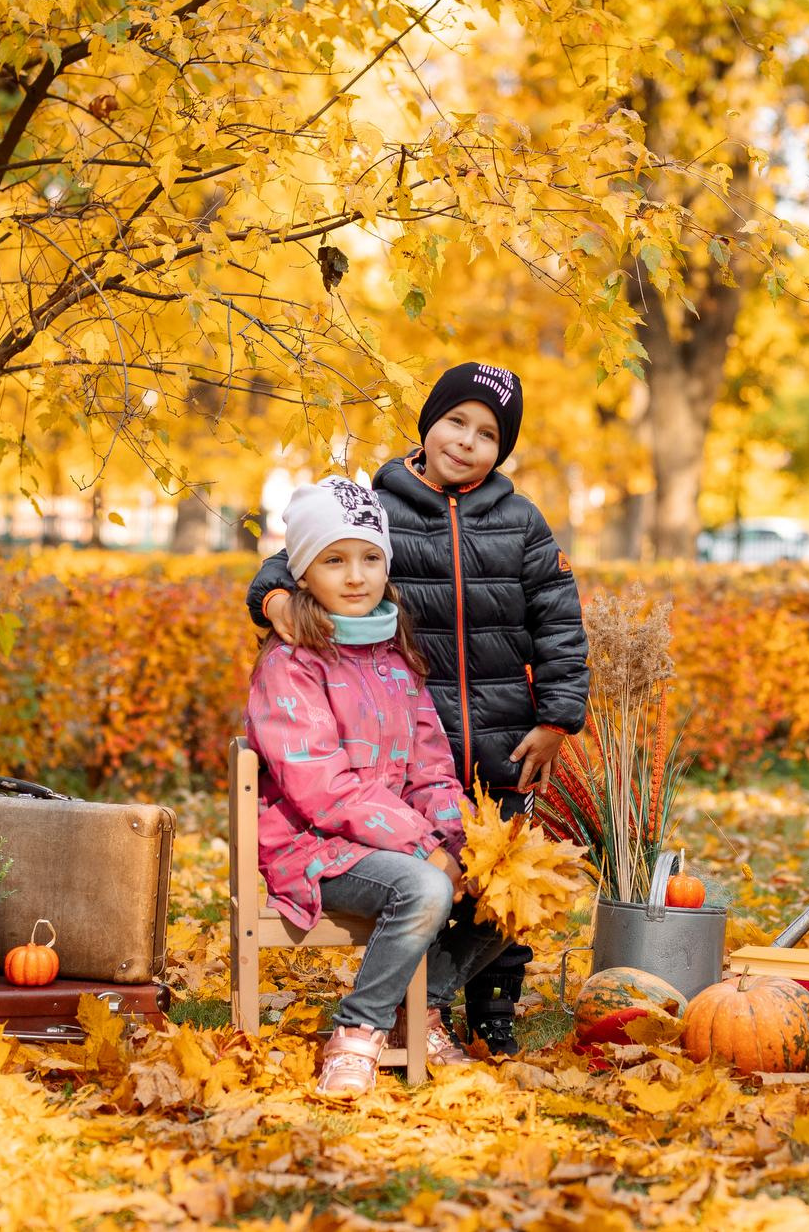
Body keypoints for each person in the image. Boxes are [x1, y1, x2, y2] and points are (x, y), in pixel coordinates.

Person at [247, 363, 589, 1054]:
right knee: (436, 877)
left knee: (508, 884)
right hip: (400, 733)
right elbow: (305, 557)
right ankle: (408, 1012)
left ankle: (487, 1011)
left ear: (502, 448)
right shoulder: (381, 504)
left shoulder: (521, 520)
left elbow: (559, 619)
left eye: (487, 433)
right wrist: (273, 597)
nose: (466, 441)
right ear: (427, 423)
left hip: (499, 739)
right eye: (455, 421)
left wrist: (556, 718)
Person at [246, 477, 510, 1097]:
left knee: (507, 888)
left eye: (370, 558)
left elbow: (430, 771)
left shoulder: (395, 658)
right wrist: (426, 850)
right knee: (423, 885)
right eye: (334, 560)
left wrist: (462, 837)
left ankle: (417, 1011)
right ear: (303, 573)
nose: (356, 576)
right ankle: (358, 1030)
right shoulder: (291, 664)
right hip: (315, 847)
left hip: (393, 841)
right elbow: (323, 789)